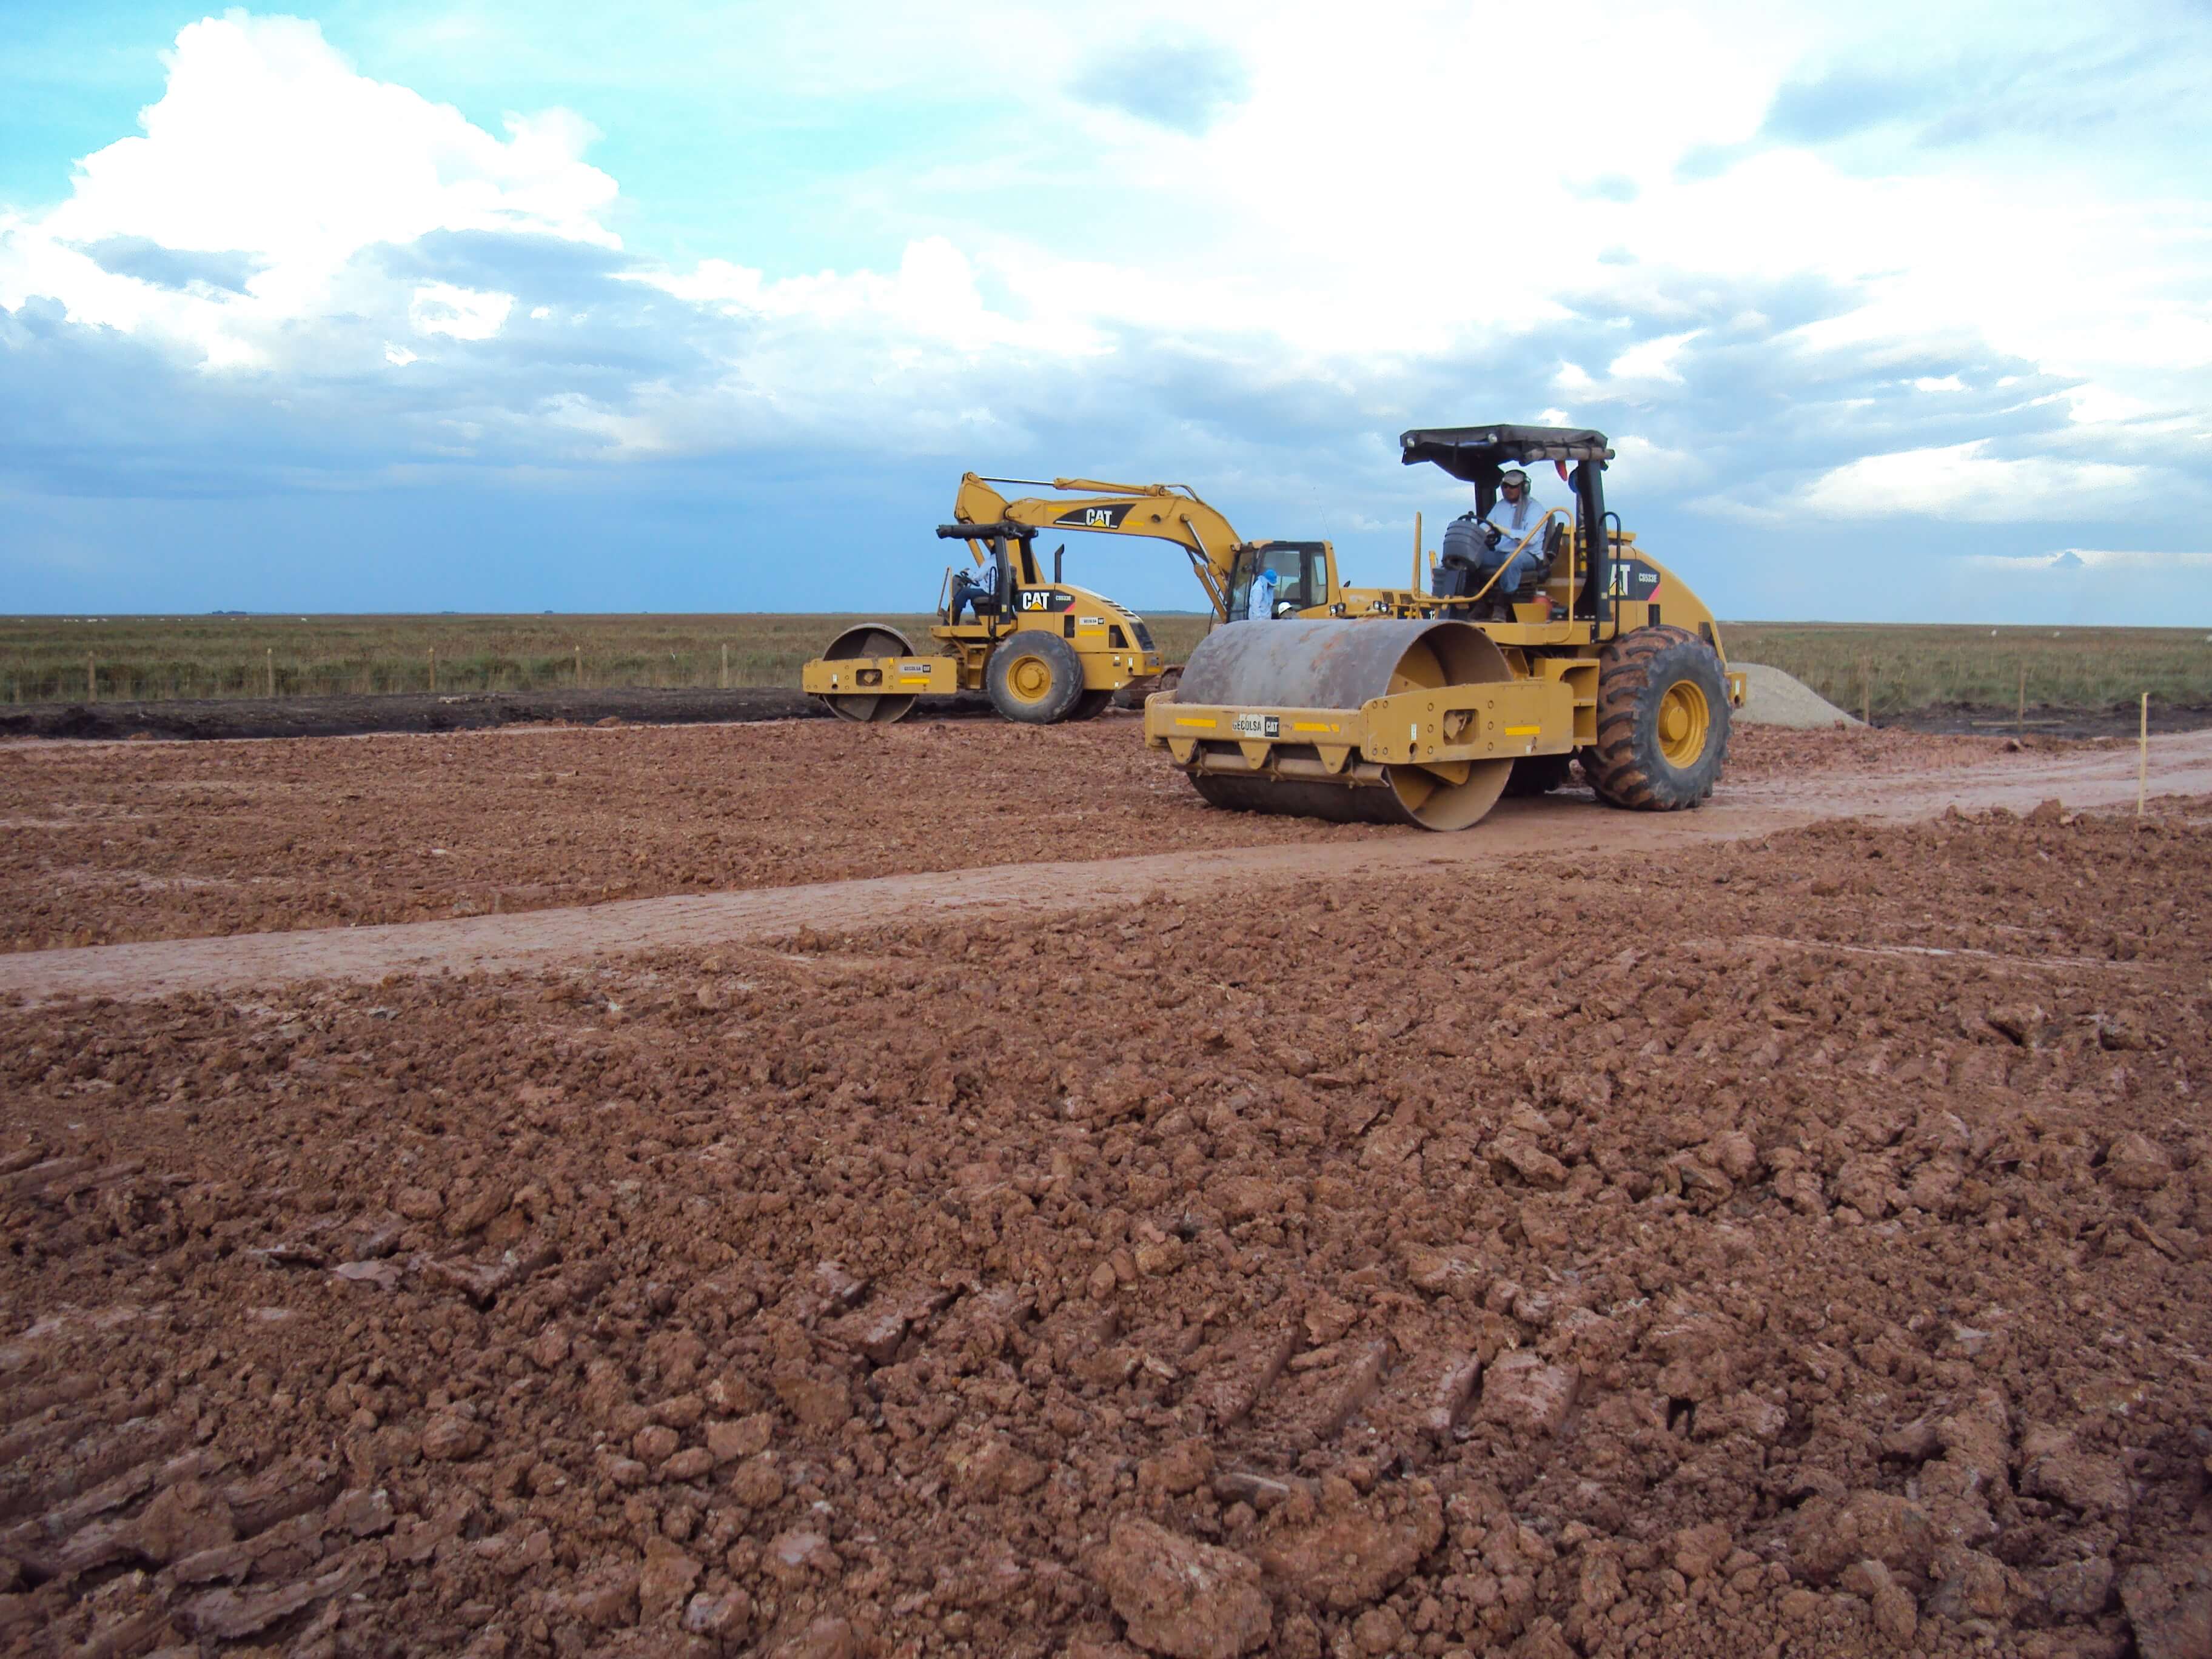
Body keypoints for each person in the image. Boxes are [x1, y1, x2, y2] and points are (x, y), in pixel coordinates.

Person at [949, 553, 1001, 625]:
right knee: (972, 595)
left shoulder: (990, 562)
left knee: (965, 592)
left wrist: (968, 572)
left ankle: (952, 616)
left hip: (989, 593)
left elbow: (977, 577)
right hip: (998, 593)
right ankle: (978, 617)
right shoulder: (1007, 563)